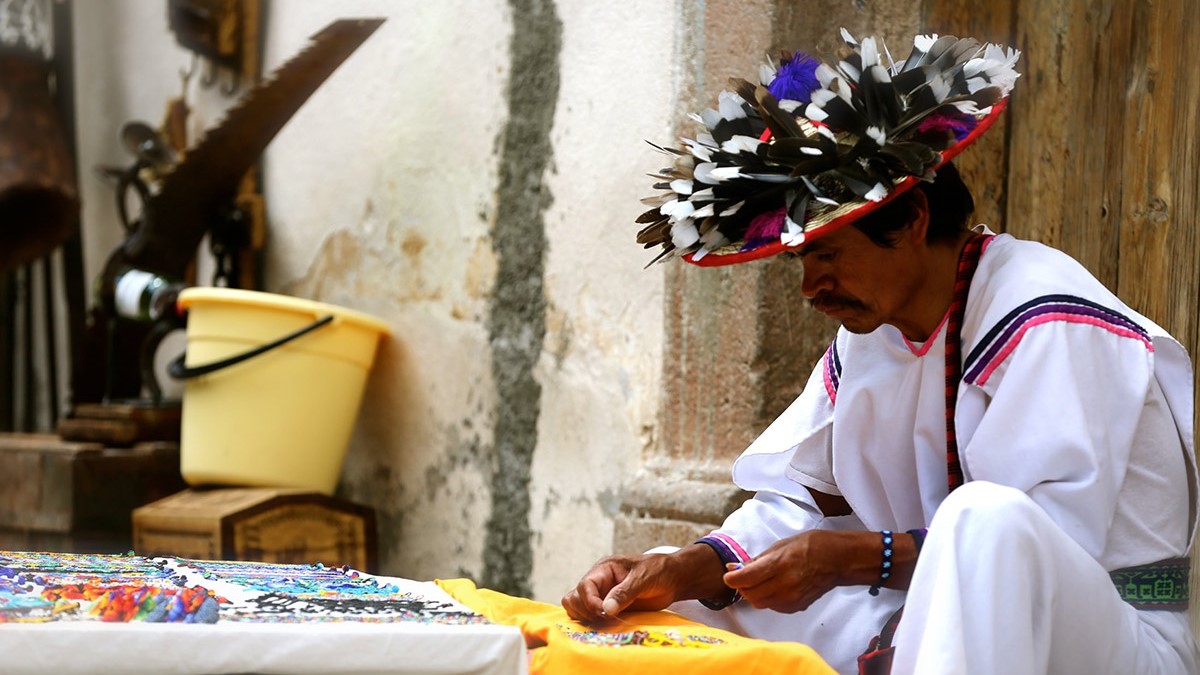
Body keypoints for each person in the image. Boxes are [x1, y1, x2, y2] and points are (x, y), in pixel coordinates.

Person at [563, 29, 1199, 675]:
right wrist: (686, 568)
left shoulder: (1045, 313)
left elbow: (1031, 547)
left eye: (829, 254)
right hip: (936, 608)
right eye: (801, 263)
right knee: (687, 608)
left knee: (983, 520)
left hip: (1115, 637)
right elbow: (803, 507)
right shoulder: (871, 333)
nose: (812, 288)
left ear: (913, 218)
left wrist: (849, 559)